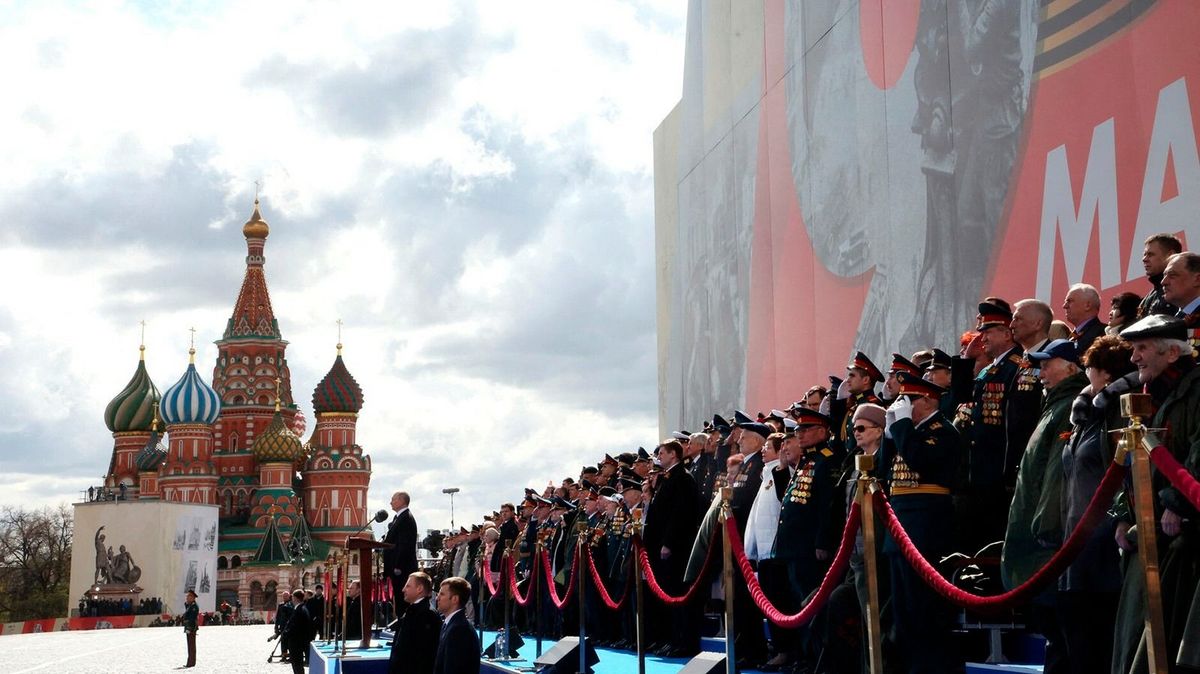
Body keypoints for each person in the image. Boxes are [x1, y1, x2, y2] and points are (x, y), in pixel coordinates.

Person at [1112, 315, 1200, 672]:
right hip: (1145, 534)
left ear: (1173, 353)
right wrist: (1122, 515)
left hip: (1180, 540)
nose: (1134, 358)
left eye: (1143, 348)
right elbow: (1129, 464)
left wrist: (1176, 505)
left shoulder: (1195, 391)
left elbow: (1197, 453)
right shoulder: (1147, 397)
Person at [1002, 339, 1088, 674]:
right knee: (1054, 636)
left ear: (1070, 367)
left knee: (1063, 639)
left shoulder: (1067, 407)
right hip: (1043, 543)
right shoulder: (1055, 405)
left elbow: (1056, 477)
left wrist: (1046, 531)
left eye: (1047, 364)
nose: (1040, 373)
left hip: (1049, 546)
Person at [1059, 336, 1136, 674]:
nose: (1085, 373)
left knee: (1100, 641)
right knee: (1078, 639)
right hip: (1075, 541)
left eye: (1089, 367)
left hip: (1105, 544)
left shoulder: (1117, 415)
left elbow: (1126, 474)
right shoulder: (1085, 417)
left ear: (1104, 374)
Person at [879, 374, 960, 674]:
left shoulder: (943, 431)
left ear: (928, 400)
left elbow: (919, 461)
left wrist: (901, 429)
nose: (905, 407)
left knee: (925, 609)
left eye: (910, 400)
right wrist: (890, 435)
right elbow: (884, 472)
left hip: (927, 528)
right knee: (904, 612)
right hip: (901, 528)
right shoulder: (907, 433)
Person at [642, 439, 701, 657]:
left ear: (673, 455)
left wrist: (668, 542)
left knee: (678, 594)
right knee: (667, 595)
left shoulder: (682, 478)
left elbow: (680, 515)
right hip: (662, 548)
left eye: (662, 454)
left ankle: (683, 642)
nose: (659, 458)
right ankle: (671, 639)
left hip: (676, 549)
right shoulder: (668, 479)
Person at [389, 572, 441, 674]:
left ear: (419, 589)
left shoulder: (427, 615)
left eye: (408, 586)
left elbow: (423, 654)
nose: (403, 589)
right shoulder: (412, 611)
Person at [433, 577, 481, 674]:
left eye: (442, 594)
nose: (437, 598)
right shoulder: (450, 624)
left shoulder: (459, 630)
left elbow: (454, 669)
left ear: (455, 599)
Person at [384, 491, 419, 609]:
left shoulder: (406, 519)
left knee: (403, 601)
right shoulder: (398, 517)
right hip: (396, 568)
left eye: (393, 499)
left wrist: (397, 566)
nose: (390, 502)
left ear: (401, 501)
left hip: (402, 569)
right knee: (398, 600)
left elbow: (404, 545)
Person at [1135, 233, 1183, 318]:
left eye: (1150, 254)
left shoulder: (1181, 290)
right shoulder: (1150, 296)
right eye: (1144, 254)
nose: (1144, 259)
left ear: (1170, 255)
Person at [1062, 283, 1106, 354]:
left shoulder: (1103, 334)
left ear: (1087, 305)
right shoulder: (1074, 335)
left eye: (1069, 301)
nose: (1064, 306)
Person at [283, 589, 315, 674]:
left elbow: (295, 627)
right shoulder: (302, 608)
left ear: (295, 598)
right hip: (299, 642)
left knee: (297, 666)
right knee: (298, 666)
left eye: (292, 597)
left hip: (296, 643)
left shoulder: (299, 610)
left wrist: (286, 633)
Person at [275, 591, 296, 662]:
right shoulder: (281, 605)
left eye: (286, 596)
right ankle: (284, 655)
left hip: (289, 626)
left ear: (289, 596)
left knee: (289, 642)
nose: (284, 597)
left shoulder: (291, 604)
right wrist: (276, 626)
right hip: (282, 626)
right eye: (283, 596)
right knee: (283, 642)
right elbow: (278, 617)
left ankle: (291, 656)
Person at [182, 589, 199, 668]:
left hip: (191, 627)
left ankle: (191, 663)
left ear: (192, 597)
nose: (187, 597)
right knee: (190, 645)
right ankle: (190, 662)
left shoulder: (194, 606)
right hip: (188, 626)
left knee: (191, 645)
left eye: (188, 596)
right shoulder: (190, 605)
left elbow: (192, 618)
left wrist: (189, 627)